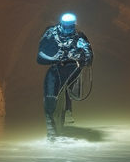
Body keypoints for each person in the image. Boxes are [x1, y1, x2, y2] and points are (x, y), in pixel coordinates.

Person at [37, 12, 93, 140]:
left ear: (74, 25)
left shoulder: (79, 37)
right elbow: (40, 56)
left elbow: (88, 55)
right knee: (50, 97)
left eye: (70, 26)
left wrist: (83, 57)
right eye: (66, 26)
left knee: (69, 83)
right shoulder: (52, 33)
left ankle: (67, 109)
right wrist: (54, 58)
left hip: (72, 68)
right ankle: (51, 128)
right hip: (56, 67)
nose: (68, 29)